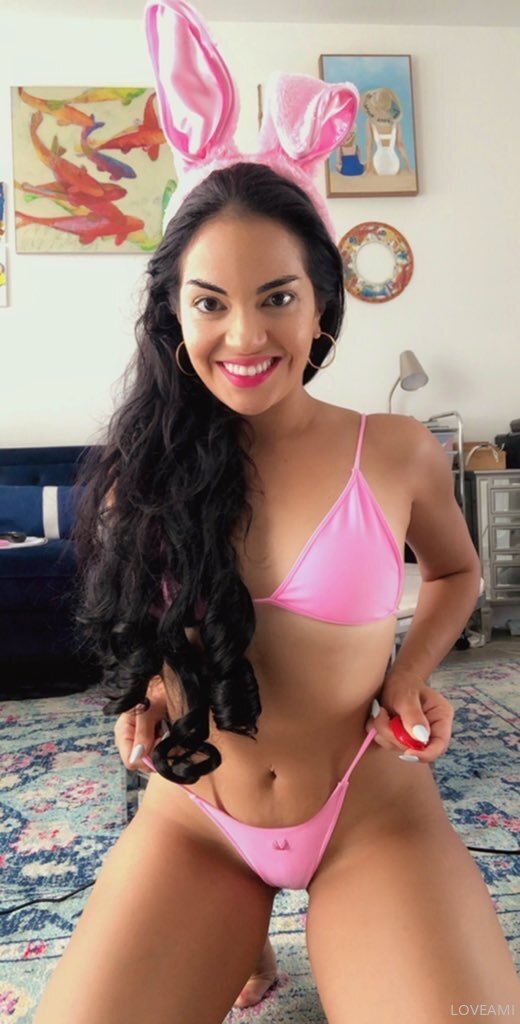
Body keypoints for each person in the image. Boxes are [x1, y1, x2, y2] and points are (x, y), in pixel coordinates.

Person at [35, 3, 520, 1022]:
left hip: (366, 809)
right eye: (210, 301)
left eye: (278, 296)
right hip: (198, 820)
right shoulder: (137, 474)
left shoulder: (395, 450)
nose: (245, 335)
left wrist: (410, 673)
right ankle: (238, 930)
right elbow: (157, 625)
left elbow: (455, 572)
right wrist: (150, 696)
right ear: (174, 310)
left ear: (323, 299)